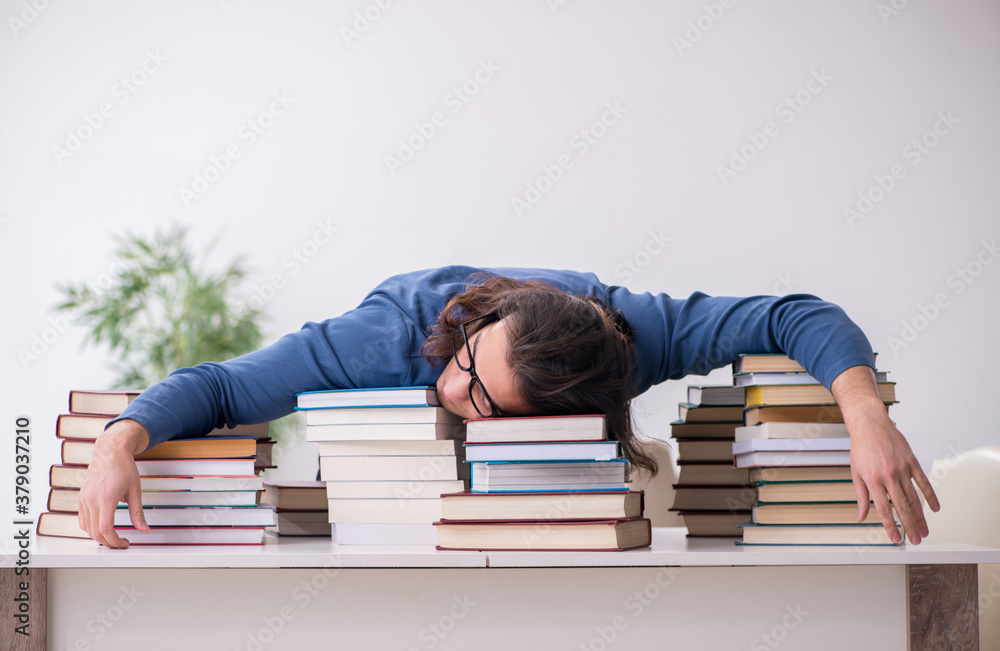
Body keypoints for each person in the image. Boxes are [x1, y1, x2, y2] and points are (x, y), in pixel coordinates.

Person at [78, 265, 939, 548]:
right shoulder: (395, 336)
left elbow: (793, 315)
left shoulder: (633, 338)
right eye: (468, 361)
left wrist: (864, 413)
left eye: (483, 397)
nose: (455, 387)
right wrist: (124, 436)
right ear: (481, 321)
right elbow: (226, 386)